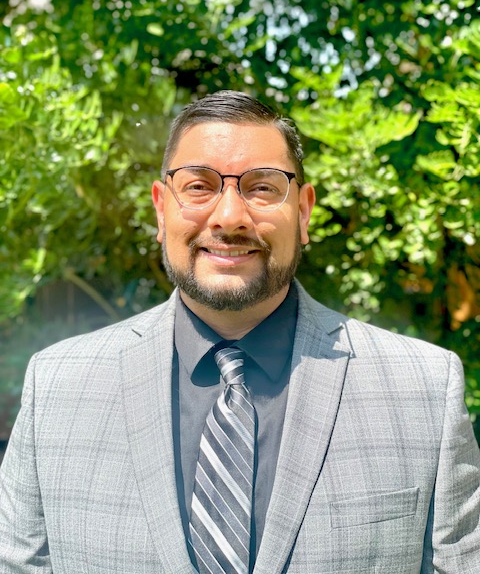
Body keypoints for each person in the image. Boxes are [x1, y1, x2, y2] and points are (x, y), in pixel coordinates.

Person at [0, 90, 478, 574]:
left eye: (263, 187)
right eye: (199, 186)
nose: (229, 217)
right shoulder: (58, 386)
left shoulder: (424, 388)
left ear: (304, 212)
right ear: (161, 209)